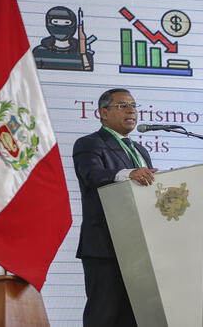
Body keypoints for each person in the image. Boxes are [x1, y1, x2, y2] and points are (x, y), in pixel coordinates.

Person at [73, 88, 158, 327]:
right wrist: (129, 174)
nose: (131, 110)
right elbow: (92, 175)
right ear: (103, 112)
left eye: (133, 105)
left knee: (134, 317)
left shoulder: (141, 151)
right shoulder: (89, 143)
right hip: (105, 245)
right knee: (104, 314)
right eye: (123, 106)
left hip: (139, 247)